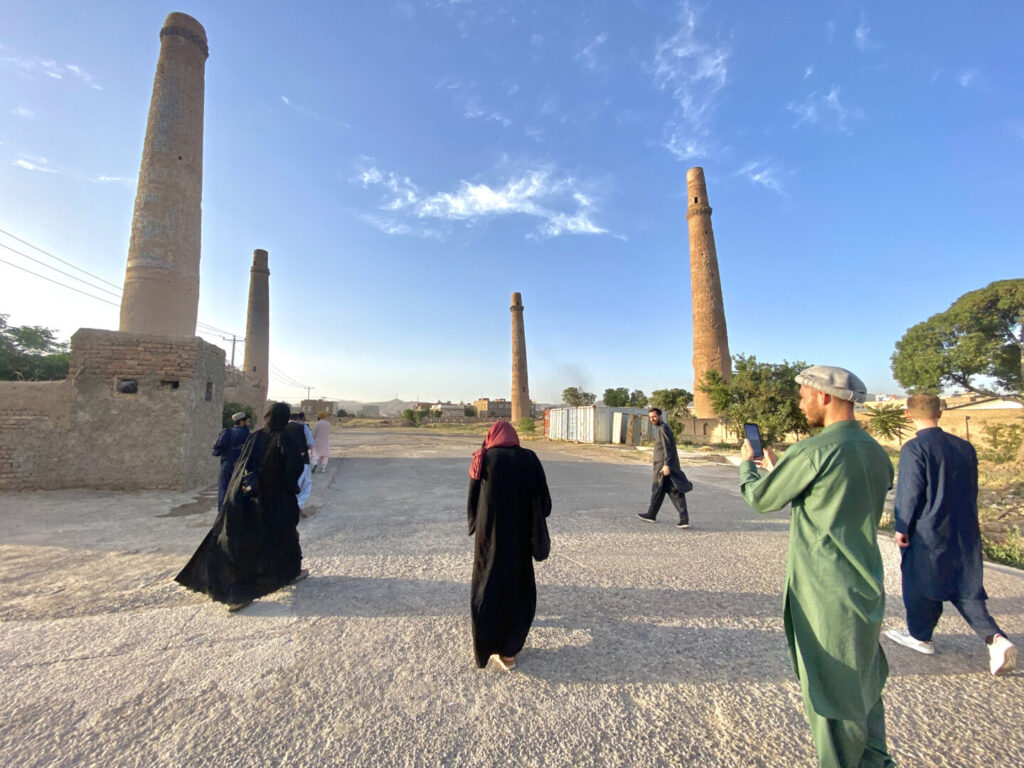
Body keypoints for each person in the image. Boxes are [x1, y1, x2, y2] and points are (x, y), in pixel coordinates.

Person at [738, 365, 895, 768]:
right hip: (864, 589)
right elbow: (835, 497)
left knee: (830, 696)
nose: (801, 402)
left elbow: (762, 499)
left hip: (825, 593)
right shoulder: (876, 453)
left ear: (825, 397)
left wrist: (748, 466)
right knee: (863, 688)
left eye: (805, 395)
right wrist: (784, 470)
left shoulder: (814, 450)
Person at [884, 392, 1016, 675]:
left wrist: (901, 527)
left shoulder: (914, 449)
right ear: (940, 413)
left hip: (929, 529)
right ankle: (996, 639)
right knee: (965, 587)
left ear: (908, 414)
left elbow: (909, 493)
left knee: (918, 581)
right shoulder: (965, 447)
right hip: (964, 528)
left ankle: (921, 636)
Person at [175, 402, 308, 611]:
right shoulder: (286, 439)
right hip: (278, 501)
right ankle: (242, 592)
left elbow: (243, 466)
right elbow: (293, 472)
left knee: (253, 540)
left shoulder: (255, 437)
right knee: (281, 536)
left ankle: (288, 573)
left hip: (250, 498)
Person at [467, 421, 551, 671]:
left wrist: (474, 523)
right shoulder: (529, 458)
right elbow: (544, 501)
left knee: (488, 586)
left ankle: (488, 647)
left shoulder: (483, 457)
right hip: (520, 538)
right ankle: (509, 653)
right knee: (517, 587)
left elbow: (472, 500)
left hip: (489, 538)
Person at [636, 407, 692, 528]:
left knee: (673, 491)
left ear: (660, 416)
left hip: (664, 467)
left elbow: (668, 448)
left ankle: (684, 519)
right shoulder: (660, 429)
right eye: (650, 417)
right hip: (661, 466)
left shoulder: (663, 429)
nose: (652, 419)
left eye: (654, 416)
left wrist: (667, 464)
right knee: (659, 491)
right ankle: (651, 514)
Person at [212, 411, 251, 509]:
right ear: (241, 422)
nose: (248, 422)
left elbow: (218, 449)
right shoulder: (247, 434)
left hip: (226, 464)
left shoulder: (227, 432)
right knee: (238, 489)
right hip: (240, 466)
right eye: (246, 420)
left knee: (224, 489)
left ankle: (222, 511)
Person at [287, 411, 315, 509]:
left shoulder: (284, 427)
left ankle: (290, 504)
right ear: (299, 419)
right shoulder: (303, 427)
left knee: (291, 484)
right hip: (302, 460)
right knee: (306, 484)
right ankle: (297, 505)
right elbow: (311, 443)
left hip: (287, 461)